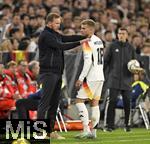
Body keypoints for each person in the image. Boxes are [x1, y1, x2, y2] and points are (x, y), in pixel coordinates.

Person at [37, 12, 87, 136]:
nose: (59, 25)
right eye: (57, 23)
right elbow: (61, 46)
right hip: (48, 73)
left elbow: (67, 38)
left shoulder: (55, 34)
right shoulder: (46, 35)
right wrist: (81, 43)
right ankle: (39, 131)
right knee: (45, 102)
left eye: (59, 23)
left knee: (54, 103)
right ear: (49, 23)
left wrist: (83, 36)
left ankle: (50, 131)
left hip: (57, 73)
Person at [104, 27, 138, 132]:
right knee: (112, 101)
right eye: (119, 33)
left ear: (127, 35)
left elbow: (134, 63)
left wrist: (135, 71)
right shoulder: (112, 46)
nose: (121, 35)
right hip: (113, 79)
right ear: (117, 35)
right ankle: (109, 125)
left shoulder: (131, 48)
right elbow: (106, 61)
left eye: (123, 33)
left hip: (127, 80)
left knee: (127, 101)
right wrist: (105, 76)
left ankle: (127, 125)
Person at [75, 19, 104, 139]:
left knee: (79, 101)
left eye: (84, 28)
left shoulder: (87, 42)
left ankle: (86, 129)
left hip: (91, 77)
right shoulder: (99, 40)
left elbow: (88, 62)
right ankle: (94, 133)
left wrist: (81, 78)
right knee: (94, 103)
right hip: (100, 76)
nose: (81, 30)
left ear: (91, 29)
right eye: (81, 28)